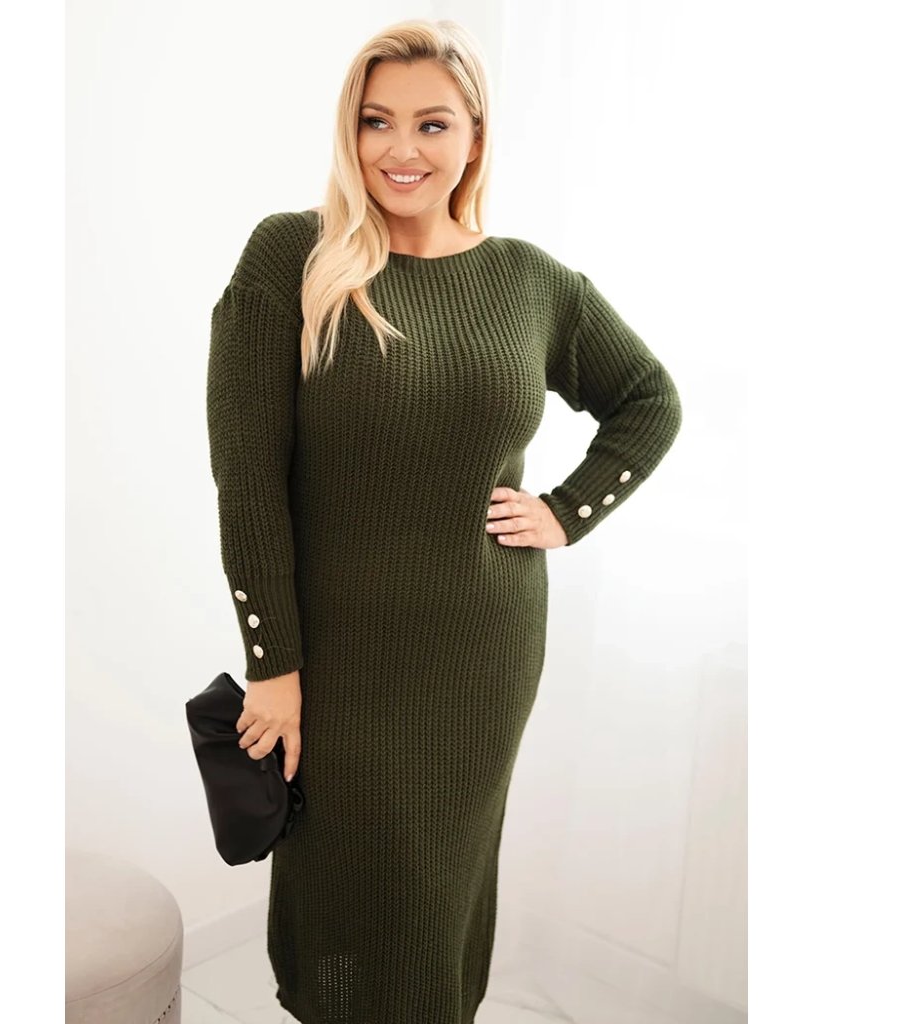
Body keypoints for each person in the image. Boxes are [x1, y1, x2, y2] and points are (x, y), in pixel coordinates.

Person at [205, 17, 682, 1024]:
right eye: (376, 121)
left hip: (482, 653)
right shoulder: (292, 256)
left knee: (441, 893)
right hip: (336, 658)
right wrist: (273, 664)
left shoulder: (531, 282)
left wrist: (567, 511)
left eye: (432, 123)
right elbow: (247, 482)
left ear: (474, 137)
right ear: (349, 131)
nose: (401, 148)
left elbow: (649, 399)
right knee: (345, 890)